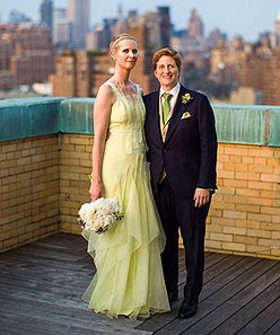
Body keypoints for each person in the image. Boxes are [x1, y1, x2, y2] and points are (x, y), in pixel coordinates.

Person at [83, 34, 170, 319]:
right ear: (114, 54)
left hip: (138, 167)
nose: (131, 55)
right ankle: (115, 294)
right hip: (116, 165)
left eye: (134, 50)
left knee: (139, 227)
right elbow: (98, 138)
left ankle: (138, 295)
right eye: (125, 51)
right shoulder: (106, 91)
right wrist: (96, 180)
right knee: (120, 230)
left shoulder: (138, 88)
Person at [143, 47, 217, 319]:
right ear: (154, 72)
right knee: (166, 244)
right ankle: (170, 290)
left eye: (170, 66)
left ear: (178, 69)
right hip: (159, 187)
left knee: (194, 243)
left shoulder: (197, 102)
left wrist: (205, 184)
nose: (166, 71)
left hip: (191, 190)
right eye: (161, 67)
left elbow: (209, 147)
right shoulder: (147, 103)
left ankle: (191, 298)